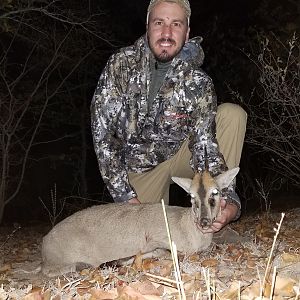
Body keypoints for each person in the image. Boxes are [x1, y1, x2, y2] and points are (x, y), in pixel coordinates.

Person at [90, 0, 247, 233]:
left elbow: (205, 146)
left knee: (232, 114)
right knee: (139, 237)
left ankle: (215, 214)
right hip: (139, 169)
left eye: (176, 24)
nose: (166, 32)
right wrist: (124, 195)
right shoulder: (120, 65)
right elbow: (103, 135)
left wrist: (228, 202)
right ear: (147, 26)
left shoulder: (198, 82)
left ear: (187, 32)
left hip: (181, 156)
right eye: (159, 23)